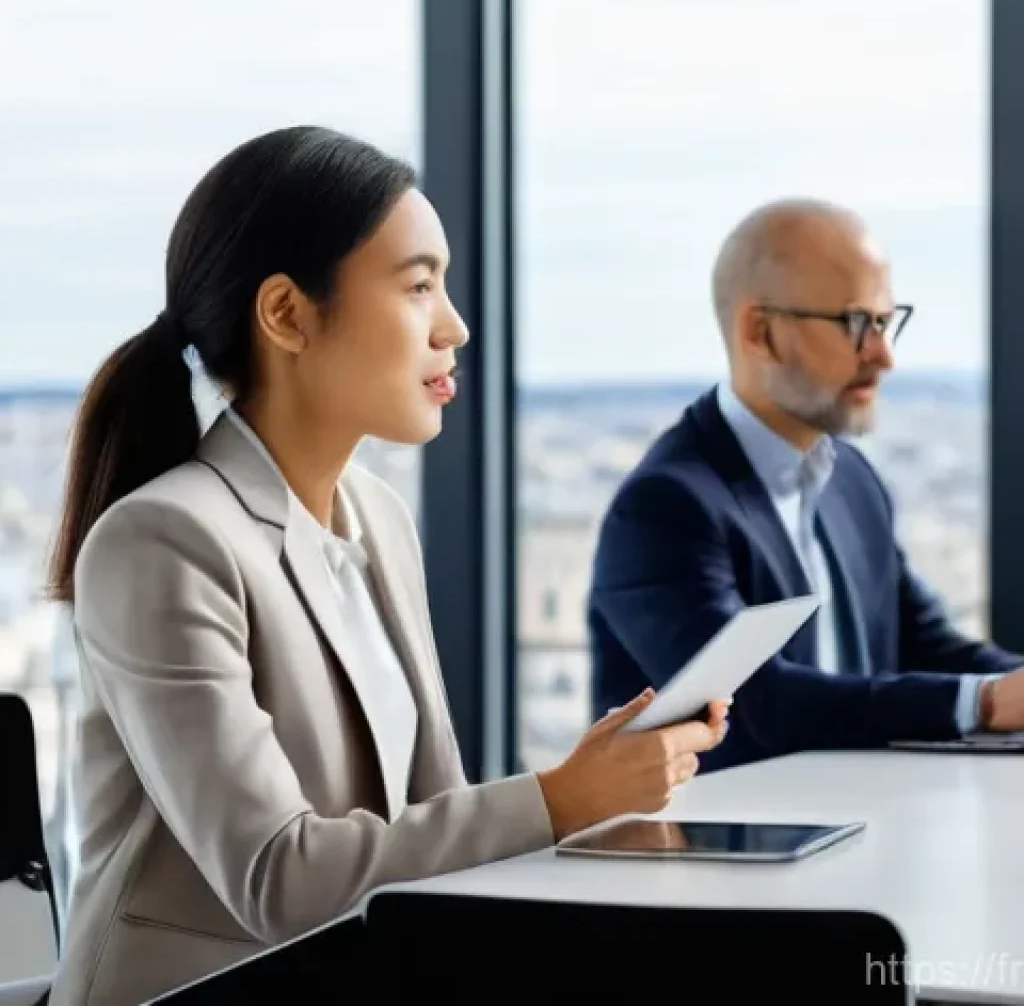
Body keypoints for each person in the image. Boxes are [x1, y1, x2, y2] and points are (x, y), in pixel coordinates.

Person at [44, 126, 729, 1006]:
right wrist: (558, 801)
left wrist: (587, 814)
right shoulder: (164, 542)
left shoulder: (378, 517)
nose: (456, 325)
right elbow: (280, 880)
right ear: (287, 313)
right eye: (417, 286)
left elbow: (429, 816)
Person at [587, 197, 1024, 774]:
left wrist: (1006, 682)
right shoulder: (666, 507)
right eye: (855, 323)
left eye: (887, 322)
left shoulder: (852, 480)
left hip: (862, 825)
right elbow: (759, 703)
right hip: (720, 851)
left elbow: (926, 644)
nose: (884, 355)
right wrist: (987, 702)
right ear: (759, 331)